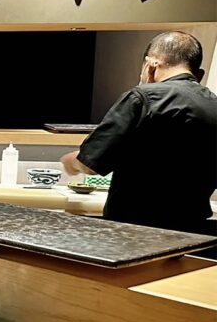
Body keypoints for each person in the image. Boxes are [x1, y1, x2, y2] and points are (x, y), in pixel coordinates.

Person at [61, 31, 217, 236]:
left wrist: (72, 162)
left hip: (134, 230)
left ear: (151, 64)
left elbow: (90, 164)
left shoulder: (143, 98)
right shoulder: (213, 105)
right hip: (193, 231)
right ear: (199, 74)